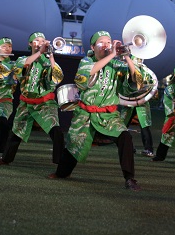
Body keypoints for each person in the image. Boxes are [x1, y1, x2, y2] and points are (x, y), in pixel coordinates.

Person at [48, 31, 141, 191]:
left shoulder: (117, 64)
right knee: (73, 146)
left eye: (109, 42)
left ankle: (130, 178)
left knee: (125, 137)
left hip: (108, 115)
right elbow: (85, 76)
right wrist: (112, 55)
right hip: (85, 115)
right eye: (102, 42)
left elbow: (136, 81)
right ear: (92, 46)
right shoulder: (86, 61)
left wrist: (127, 57)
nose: (106, 45)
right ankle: (62, 173)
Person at [0, 32, 65, 166]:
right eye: (36, 40)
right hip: (26, 103)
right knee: (16, 132)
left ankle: (61, 163)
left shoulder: (47, 61)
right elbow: (20, 70)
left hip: (45, 103)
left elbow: (57, 78)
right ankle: (6, 159)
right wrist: (39, 53)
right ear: (30, 44)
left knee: (56, 130)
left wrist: (51, 56)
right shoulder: (22, 59)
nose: (40, 42)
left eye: (42, 40)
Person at [119, 57, 154, 157]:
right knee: (122, 126)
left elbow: (150, 84)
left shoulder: (145, 69)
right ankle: (129, 147)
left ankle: (148, 149)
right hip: (128, 101)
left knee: (144, 126)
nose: (139, 60)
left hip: (141, 101)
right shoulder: (125, 69)